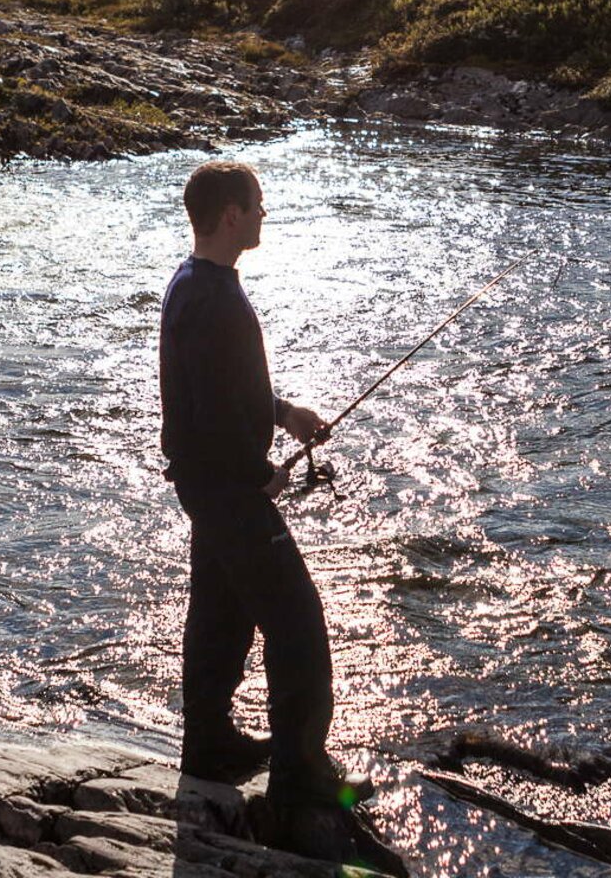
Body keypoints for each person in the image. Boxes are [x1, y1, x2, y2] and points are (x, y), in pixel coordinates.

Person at [160, 160, 402, 874]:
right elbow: (208, 413)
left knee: (222, 614)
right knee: (299, 626)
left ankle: (209, 744)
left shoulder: (194, 285)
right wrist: (256, 472)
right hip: (228, 492)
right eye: (257, 205)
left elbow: (222, 389)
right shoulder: (214, 300)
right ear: (230, 214)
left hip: (211, 488)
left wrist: (281, 413)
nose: (265, 215)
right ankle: (301, 777)